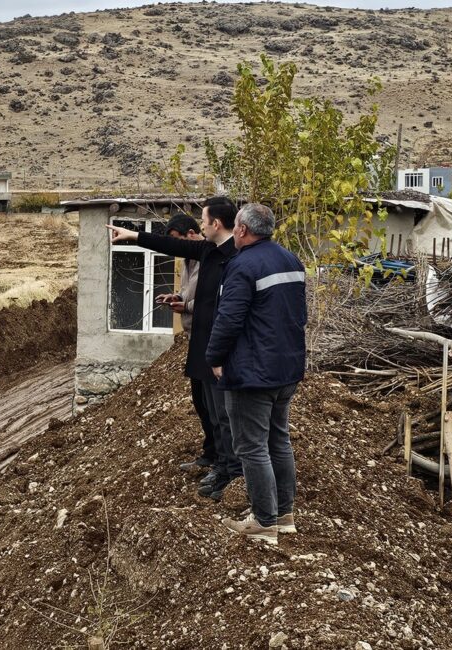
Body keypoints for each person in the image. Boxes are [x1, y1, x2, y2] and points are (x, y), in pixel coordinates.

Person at [107, 197, 240, 501]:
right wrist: (134, 236)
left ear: (215, 223)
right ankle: (220, 463)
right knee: (208, 407)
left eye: (204, 220)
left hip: (219, 347)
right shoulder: (208, 250)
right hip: (202, 344)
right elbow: (173, 247)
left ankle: (231, 472)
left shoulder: (236, 257)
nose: (201, 225)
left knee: (223, 414)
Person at [205, 203, 307, 545]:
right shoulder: (290, 260)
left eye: (235, 226)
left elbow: (229, 318)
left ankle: (264, 522)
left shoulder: (243, 265)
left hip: (253, 372)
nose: (234, 231)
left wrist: (215, 358)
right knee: (278, 440)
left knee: (251, 446)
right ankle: (284, 514)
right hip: (286, 368)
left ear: (243, 230)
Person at [153, 213, 216, 470]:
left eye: (178, 241)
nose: (177, 249)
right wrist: (176, 296)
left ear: (192, 234)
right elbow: (190, 291)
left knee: (213, 404)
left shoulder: (209, 258)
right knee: (201, 402)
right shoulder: (190, 261)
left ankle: (221, 459)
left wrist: (186, 306)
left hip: (209, 339)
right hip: (194, 337)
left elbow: (211, 300)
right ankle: (211, 453)